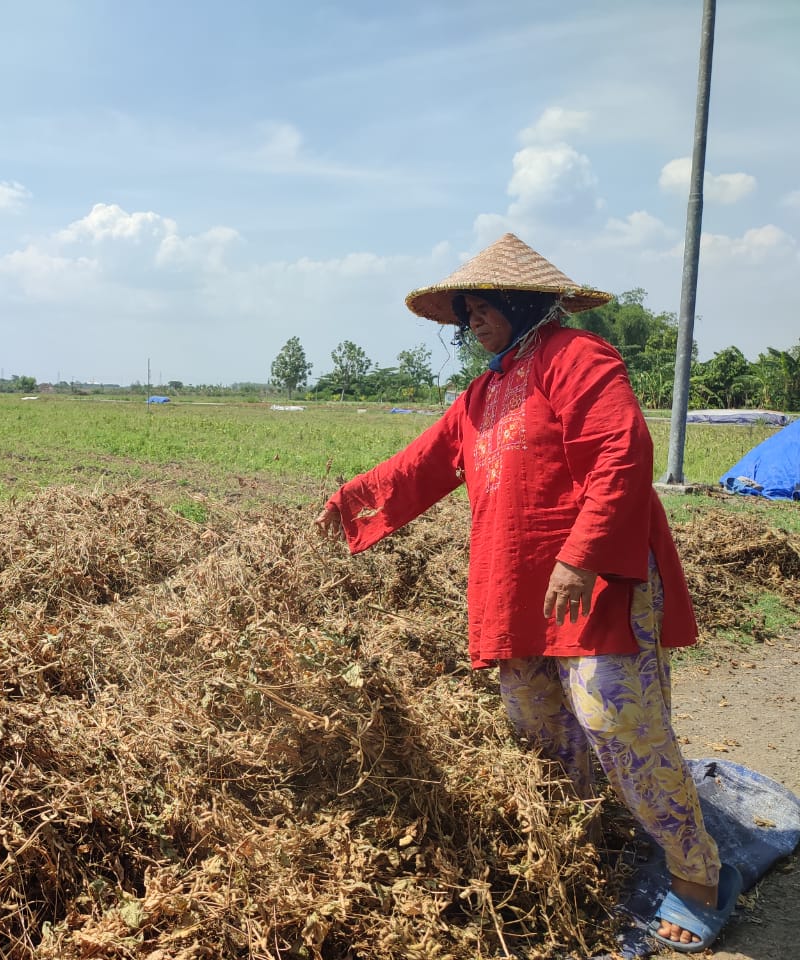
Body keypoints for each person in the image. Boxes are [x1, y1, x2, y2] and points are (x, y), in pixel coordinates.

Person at [314, 233, 741, 953]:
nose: (470, 324)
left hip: (597, 577)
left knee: (614, 720)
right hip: (518, 586)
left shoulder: (578, 359)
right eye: (465, 314)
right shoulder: (485, 390)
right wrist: (353, 499)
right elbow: (423, 464)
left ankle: (698, 872)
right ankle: (581, 843)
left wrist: (581, 556)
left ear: (522, 301)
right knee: (539, 725)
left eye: (481, 309)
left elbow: (622, 450)